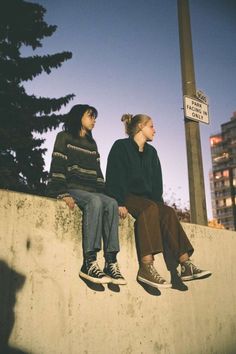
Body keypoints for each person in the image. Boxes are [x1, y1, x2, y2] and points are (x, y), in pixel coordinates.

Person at [105, 113, 211, 290]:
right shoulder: (121, 146)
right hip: (126, 195)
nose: (155, 130)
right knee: (150, 208)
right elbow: (114, 175)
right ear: (140, 127)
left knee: (167, 212)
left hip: (147, 200)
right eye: (151, 126)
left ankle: (185, 265)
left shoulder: (152, 153)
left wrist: (160, 208)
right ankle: (146, 267)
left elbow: (156, 185)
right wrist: (119, 201)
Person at [46, 104, 126, 285]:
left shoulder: (92, 144)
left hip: (92, 190)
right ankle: (89, 262)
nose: (94, 120)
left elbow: (98, 174)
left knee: (111, 203)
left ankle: (111, 261)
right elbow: (57, 165)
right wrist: (62, 192)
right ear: (78, 117)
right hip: (73, 187)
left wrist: (111, 198)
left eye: (94, 117)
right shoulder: (64, 137)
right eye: (90, 116)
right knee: (95, 202)